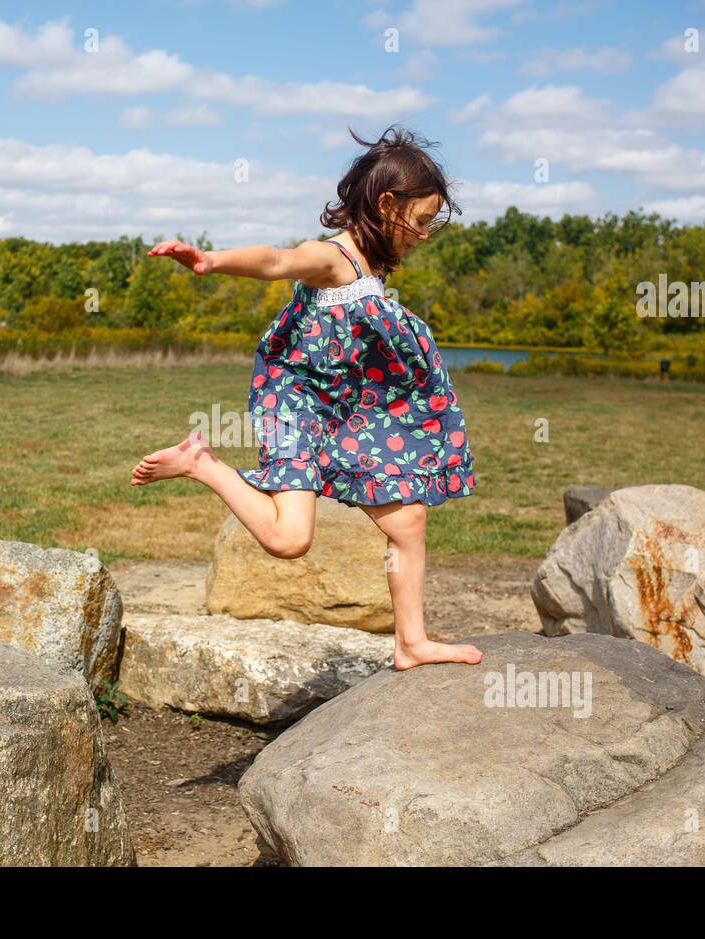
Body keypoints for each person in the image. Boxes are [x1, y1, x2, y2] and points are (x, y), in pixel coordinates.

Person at [130, 125, 480, 670]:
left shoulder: (370, 266)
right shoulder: (333, 257)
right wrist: (210, 261)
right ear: (387, 203)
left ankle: (411, 642)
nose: (424, 234)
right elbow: (275, 260)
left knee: (408, 521)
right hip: (294, 404)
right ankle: (202, 462)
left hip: (343, 412)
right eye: (420, 222)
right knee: (290, 539)